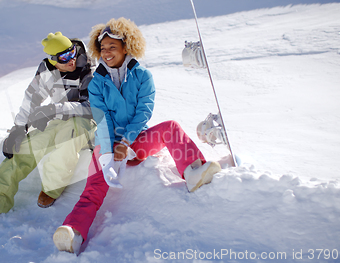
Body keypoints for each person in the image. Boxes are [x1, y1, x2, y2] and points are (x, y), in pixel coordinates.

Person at [52, 18, 222, 254]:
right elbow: (102, 120)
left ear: (126, 47)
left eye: (112, 47)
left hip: (137, 141)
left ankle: (193, 171)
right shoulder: (96, 82)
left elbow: (144, 112)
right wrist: (109, 152)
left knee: (170, 127)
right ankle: (74, 231)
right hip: (107, 143)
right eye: (103, 49)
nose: (107, 53)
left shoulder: (142, 76)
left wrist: (126, 141)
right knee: (94, 187)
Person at [0, 32, 96, 219]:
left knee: (64, 142)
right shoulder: (46, 70)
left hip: (86, 121)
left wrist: (54, 109)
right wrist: (18, 128)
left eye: (72, 52)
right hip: (59, 119)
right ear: (52, 60)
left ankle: (52, 188)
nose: (71, 60)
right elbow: (31, 99)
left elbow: (91, 107)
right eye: (64, 57)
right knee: (24, 148)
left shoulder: (88, 66)